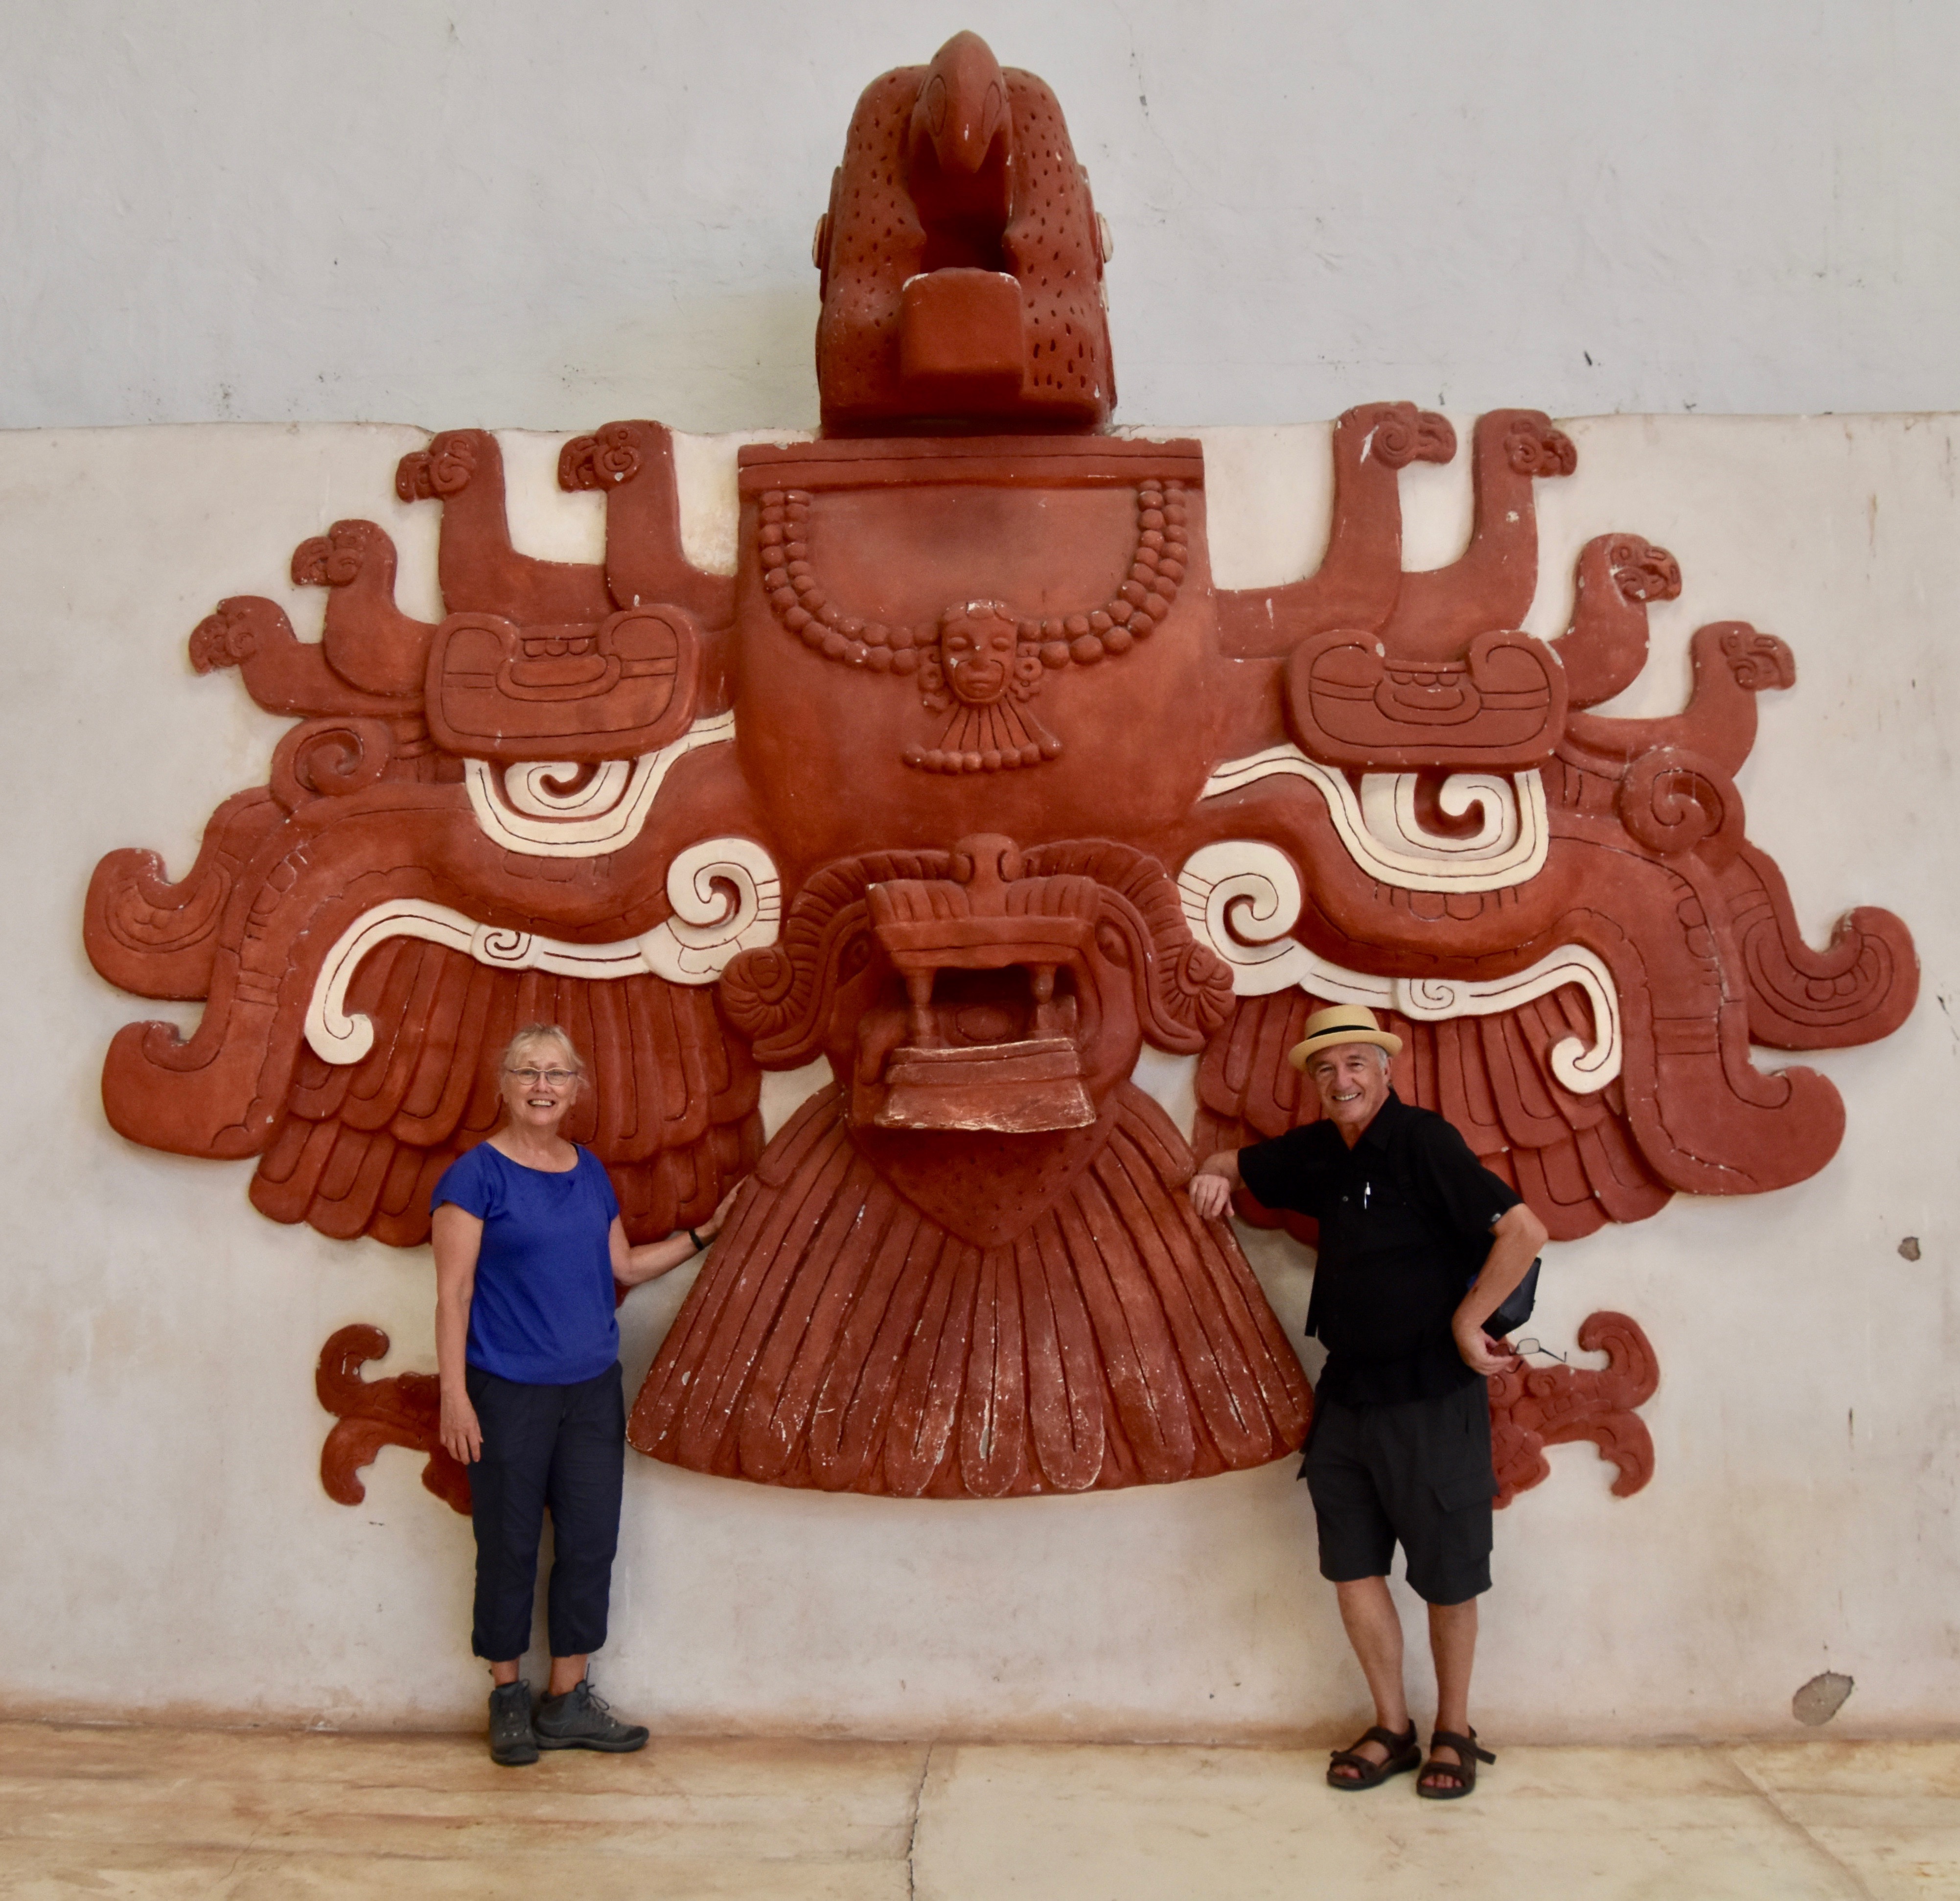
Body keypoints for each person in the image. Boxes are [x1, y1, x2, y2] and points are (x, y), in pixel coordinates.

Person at [1188, 1004, 1546, 1800]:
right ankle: (1392, 1726)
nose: (1340, 1080)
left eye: (1354, 1064)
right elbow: (1230, 1160)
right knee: (1352, 1565)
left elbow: (1523, 1230)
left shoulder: (1423, 1142)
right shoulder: (1321, 1151)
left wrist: (1466, 1320)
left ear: (1384, 1072)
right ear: (1315, 1085)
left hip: (1429, 1392)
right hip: (1347, 1392)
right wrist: (1215, 1173)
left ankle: (1453, 1729)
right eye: (1326, 1069)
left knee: (1448, 1574)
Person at [433, 1022, 741, 1767]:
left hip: (591, 1393)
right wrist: (454, 1396)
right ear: (503, 1084)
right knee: (506, 1546)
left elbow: (626, 1267)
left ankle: (566, 1699)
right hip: (504, 1391)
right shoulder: (474, 1177)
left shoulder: (589, 1171)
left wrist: (706, 1233)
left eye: (557, 1074)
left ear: (577, 1089)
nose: (543, 1086)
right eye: (528, 1072)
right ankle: (507, 1697)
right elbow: (453, 1293)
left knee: (588, 1544)